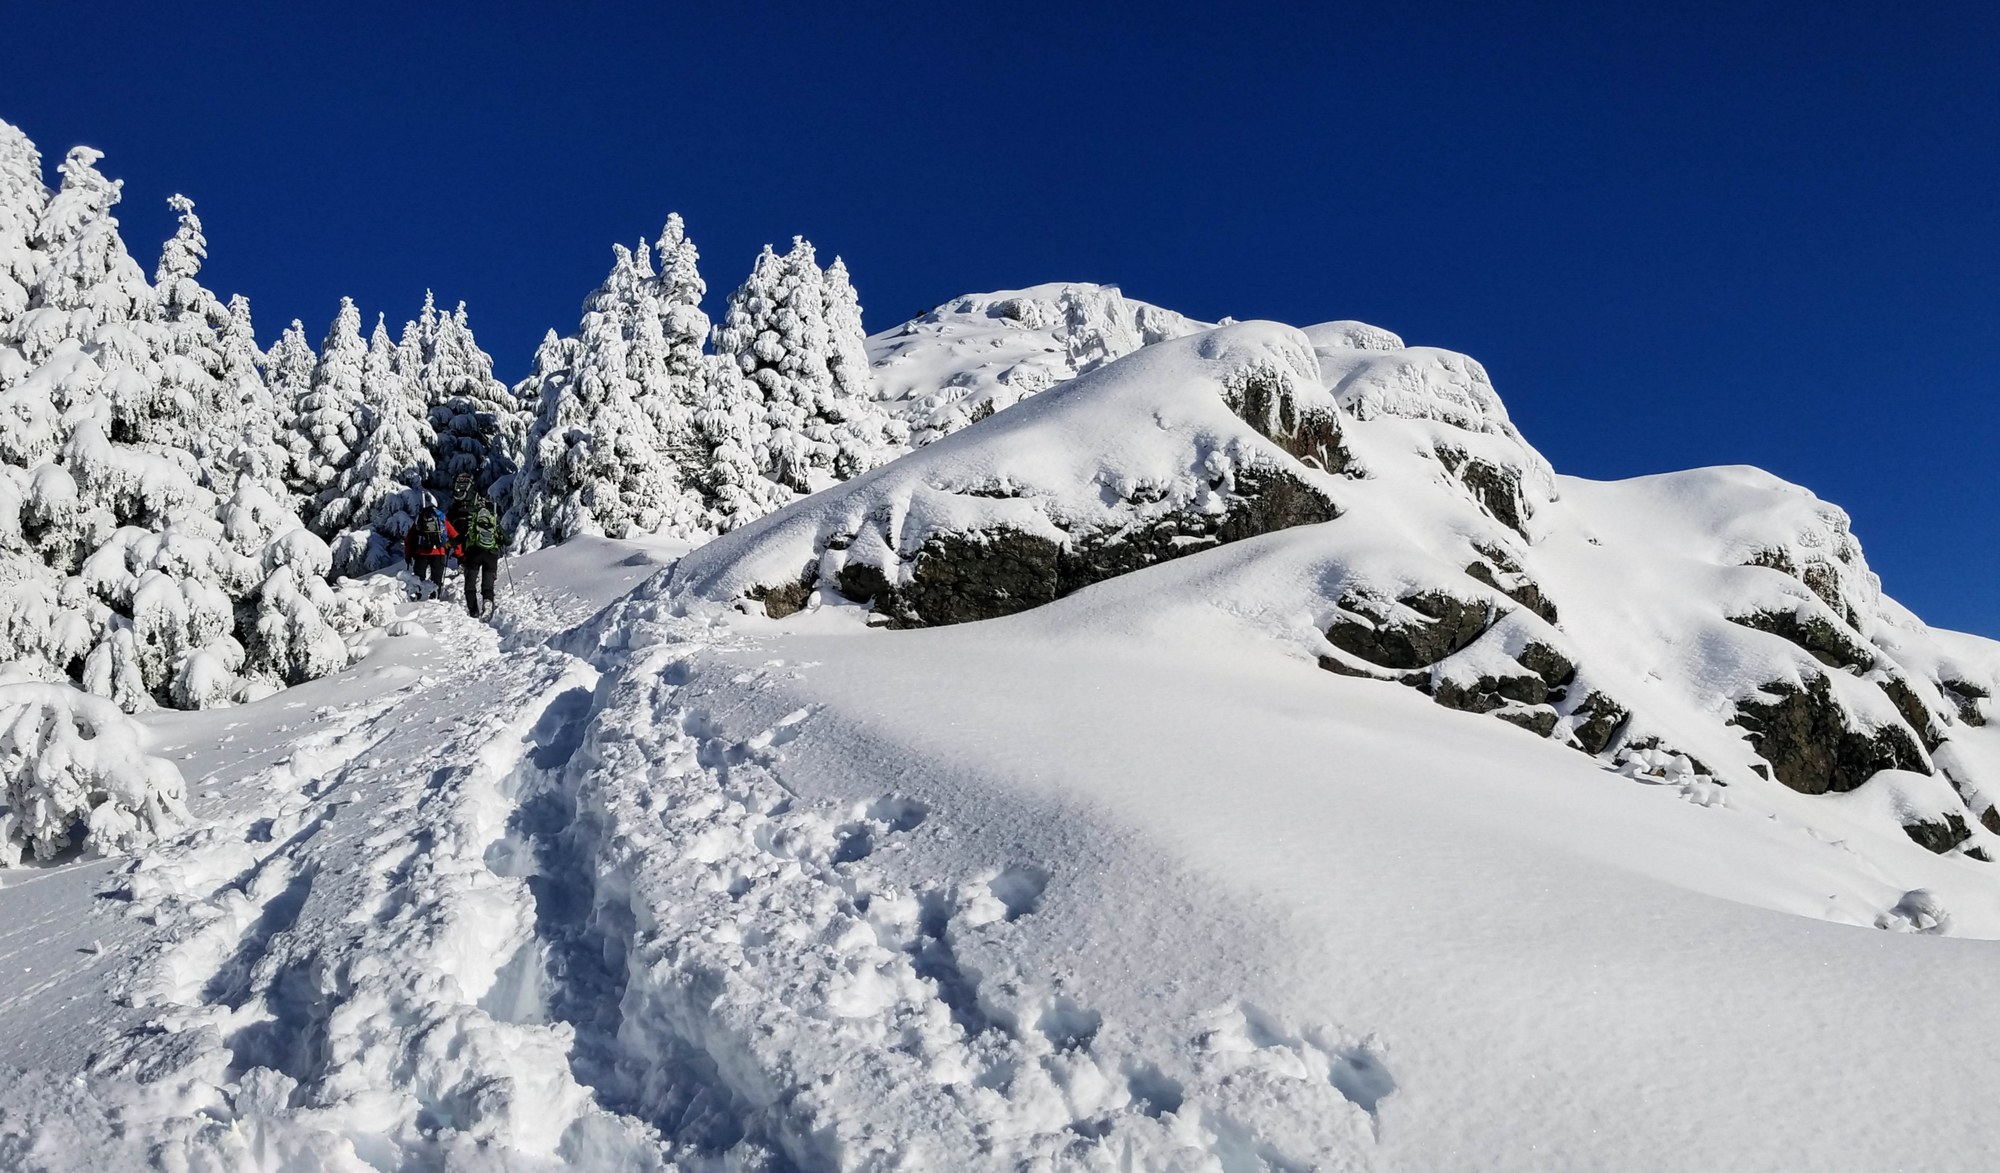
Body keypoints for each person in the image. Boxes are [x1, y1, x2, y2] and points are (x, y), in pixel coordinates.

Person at [456, 493, 509, 618]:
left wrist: (449, 544)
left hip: (473, 555)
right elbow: (508, 541)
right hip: (491, 555)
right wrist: (500, 539)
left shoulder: (472, 520)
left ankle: (473, 611)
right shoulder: (493, 521)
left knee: (470, 585)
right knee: (488, 585)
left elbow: (461, 537)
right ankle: (487, 602)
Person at [403, 492, 456, 600]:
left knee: (418, 577)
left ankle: (418, 597)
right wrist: (459, 553)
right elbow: (454, 535)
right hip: (439, 552)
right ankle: (435, 597)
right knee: (437, 577)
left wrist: (408, 555)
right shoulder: (441, 517)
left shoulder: (420, 517)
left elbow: (410, 538)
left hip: (421, 552)